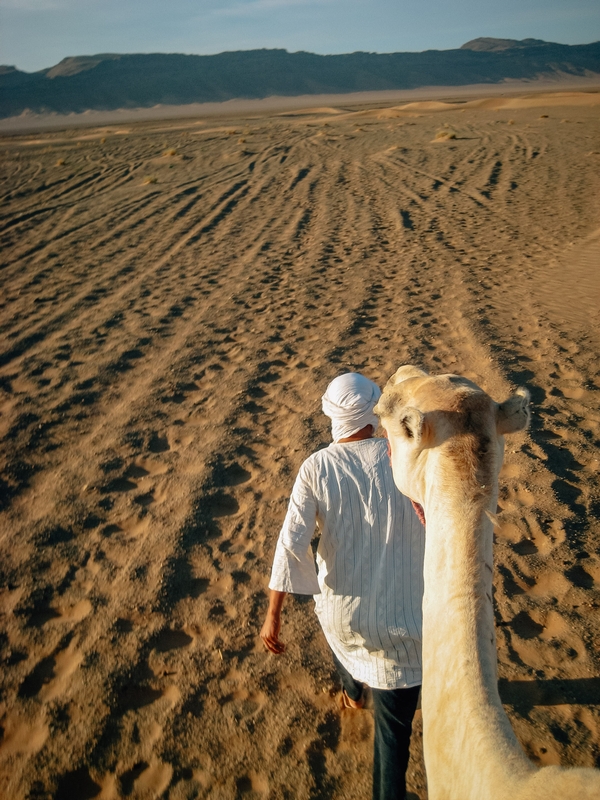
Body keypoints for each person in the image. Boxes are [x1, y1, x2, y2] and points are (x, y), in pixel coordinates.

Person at [260, 372, 425, 800]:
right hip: (406, 625)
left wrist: (273, 616)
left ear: (332, 417)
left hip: (343, 615)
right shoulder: (406, 459)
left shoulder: (316, 466)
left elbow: (290, 543)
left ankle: (352, 693)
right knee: (393, 735)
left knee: (342, 637)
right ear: (374, 410)